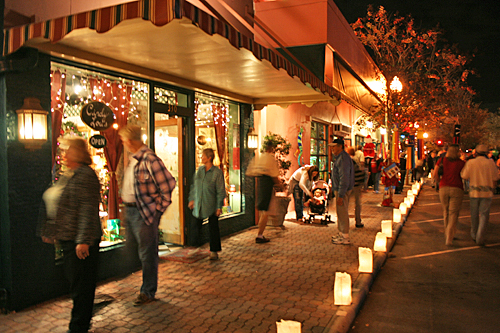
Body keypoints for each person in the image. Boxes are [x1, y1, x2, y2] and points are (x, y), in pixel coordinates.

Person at [37, 137, 102, 333]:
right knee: (77, 284)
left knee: (82, 287)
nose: (65, 155)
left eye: (69, 150)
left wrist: (83, 241)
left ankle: (78, 327)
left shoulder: (85, 175)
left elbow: (87, 210)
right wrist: (50, 231)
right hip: (68, 238)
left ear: (78, 153)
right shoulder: (70, 174)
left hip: (79, 241)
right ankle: (79, 324)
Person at [119, 125, 176, 306]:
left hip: (143, 213)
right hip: (130, 210)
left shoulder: (149, 159)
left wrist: (157, 211)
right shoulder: (133, 160)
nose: (123, 144)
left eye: (123, 141)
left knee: (147, 253)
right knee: (134, 251)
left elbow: (168, 184)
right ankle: (141, 286)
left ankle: (148, 291)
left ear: (129, 141)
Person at [188, 148, 226, 257]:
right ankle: (195, 246)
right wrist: (192, 199)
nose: (201, 157)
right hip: (199, 203)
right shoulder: (199, 170)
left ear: (209, 158)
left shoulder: (217, 172)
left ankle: (214, 251)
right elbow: (194, 186)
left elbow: (220, 190)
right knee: (195, 225)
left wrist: (219, 206)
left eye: (203, 156)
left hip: (211, 203)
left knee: (213, 228)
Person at [461, 144, 499, 245]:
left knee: (474, 214)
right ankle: (480, 236)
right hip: (487, 192)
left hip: (474, 191)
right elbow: (496, 177)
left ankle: (474, 233)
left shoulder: (471, 163)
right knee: (484, 215)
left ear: (476, 153)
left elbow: (464, 175)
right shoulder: (490, 163)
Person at [245, 142, 281, 243]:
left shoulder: (259, 158)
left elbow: (250, 172)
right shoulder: (270, 158)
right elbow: (274, 175)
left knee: (265, 210)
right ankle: (260, 235)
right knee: (266, 210)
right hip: (267, 184)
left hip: (260, 183)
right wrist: (280, 185)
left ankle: (274, 226)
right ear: (272, 148)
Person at [433, 144, 466, 246]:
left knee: (445, 211)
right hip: (457, 187)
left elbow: (435, 174)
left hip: (444, 187)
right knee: (453, 213)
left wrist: (440, 182)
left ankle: (447, 232)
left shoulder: (442, 161)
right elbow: (465, 175)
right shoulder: (462, 163)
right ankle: (449, 237)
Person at [330, 139, 355, 245]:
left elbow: (344, 177)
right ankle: (341, 233)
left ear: (340, 146)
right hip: (341, 189)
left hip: (342, 190)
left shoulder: (343, 159)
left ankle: (345, 236)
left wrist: (340, 194)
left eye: (334, 146)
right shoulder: (340, 157)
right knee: (340, 212)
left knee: (343, 212)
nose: (332, 149)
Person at [348, 147, 365, 228]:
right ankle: (358, 221)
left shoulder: (348, 161)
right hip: (357, 185)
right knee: (357, 203)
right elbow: (361, 172)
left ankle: (344, 222)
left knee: (345, 203)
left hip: (348, 186)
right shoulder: (356, 161)